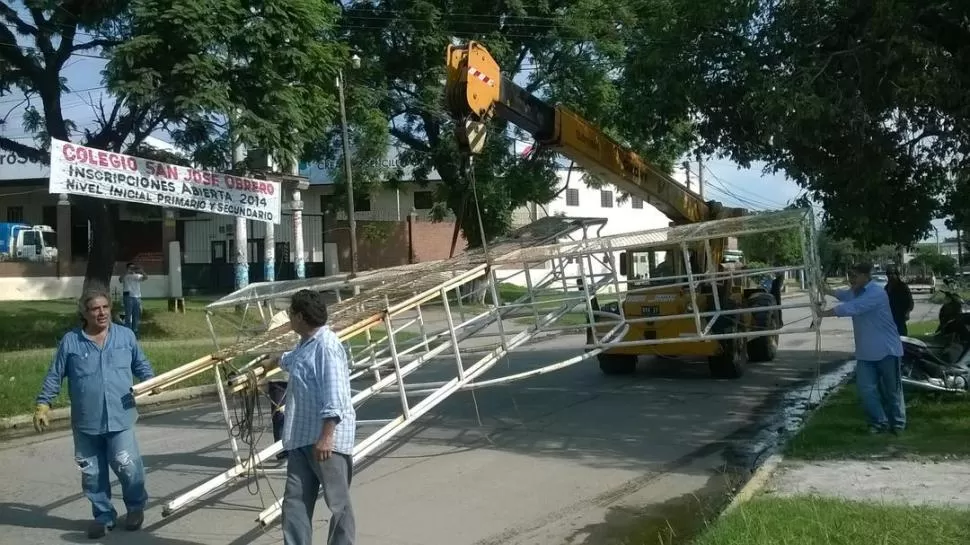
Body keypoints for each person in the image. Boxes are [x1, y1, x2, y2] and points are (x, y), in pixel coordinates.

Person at [32, 287, 155, 538]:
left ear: (111, 309)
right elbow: (55, 375)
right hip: (86, 422)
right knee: (92, 473)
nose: (101, 313)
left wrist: (151, 383)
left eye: (105, 307)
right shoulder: (71, 341)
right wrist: (43, 404)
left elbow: (141, 364)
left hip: (121, 417)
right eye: (95, 309)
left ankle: (135, 508)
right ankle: (103, 516)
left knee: (128, 467)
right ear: (84, 313)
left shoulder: (125, 336)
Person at [278, 289, 356, 545]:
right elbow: (295, 361)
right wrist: (274, 361)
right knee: (294, 503)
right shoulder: (306, 344)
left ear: (300, 316)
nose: (288, 317)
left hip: (325, 443)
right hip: (301, 439)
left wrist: (326, 436)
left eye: (290, 313)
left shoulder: (327, 346)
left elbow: (335, 397)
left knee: (338, 505)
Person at [820, 263, 905, 435]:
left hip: (887, 350)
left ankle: (898, 424)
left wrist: (824, 313)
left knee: (892, 391)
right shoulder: (856, 292)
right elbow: (844, 295)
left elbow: (854, 307)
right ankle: (878, 422)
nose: (851, 279)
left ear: (866, 276)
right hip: (865, 353)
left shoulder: (876, 293)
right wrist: (826, 290)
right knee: (866, 389)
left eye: (854, 276)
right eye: (849, 276)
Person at [884, 267, 914, 336]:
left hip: (900, 314)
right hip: (889, 315)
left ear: (896, 275)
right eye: (888, 274)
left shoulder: (903, 287)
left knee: (901, 335)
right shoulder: (886, 287)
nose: (890, 276)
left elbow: (910, 301)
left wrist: (907, 312)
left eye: (892, 274)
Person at [120, 262, 146, 337]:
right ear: (127, 268)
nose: (132, 269)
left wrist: (141, 271)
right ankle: (127, 333)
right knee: (128, 316)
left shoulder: (137, 276)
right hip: (128, 297)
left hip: (137, 297)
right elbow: (120, 280)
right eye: (130, 268)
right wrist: (126, 272)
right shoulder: (125, 276)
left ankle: (135, 332)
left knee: (136, 316)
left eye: (133, 268)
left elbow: (145, 278)